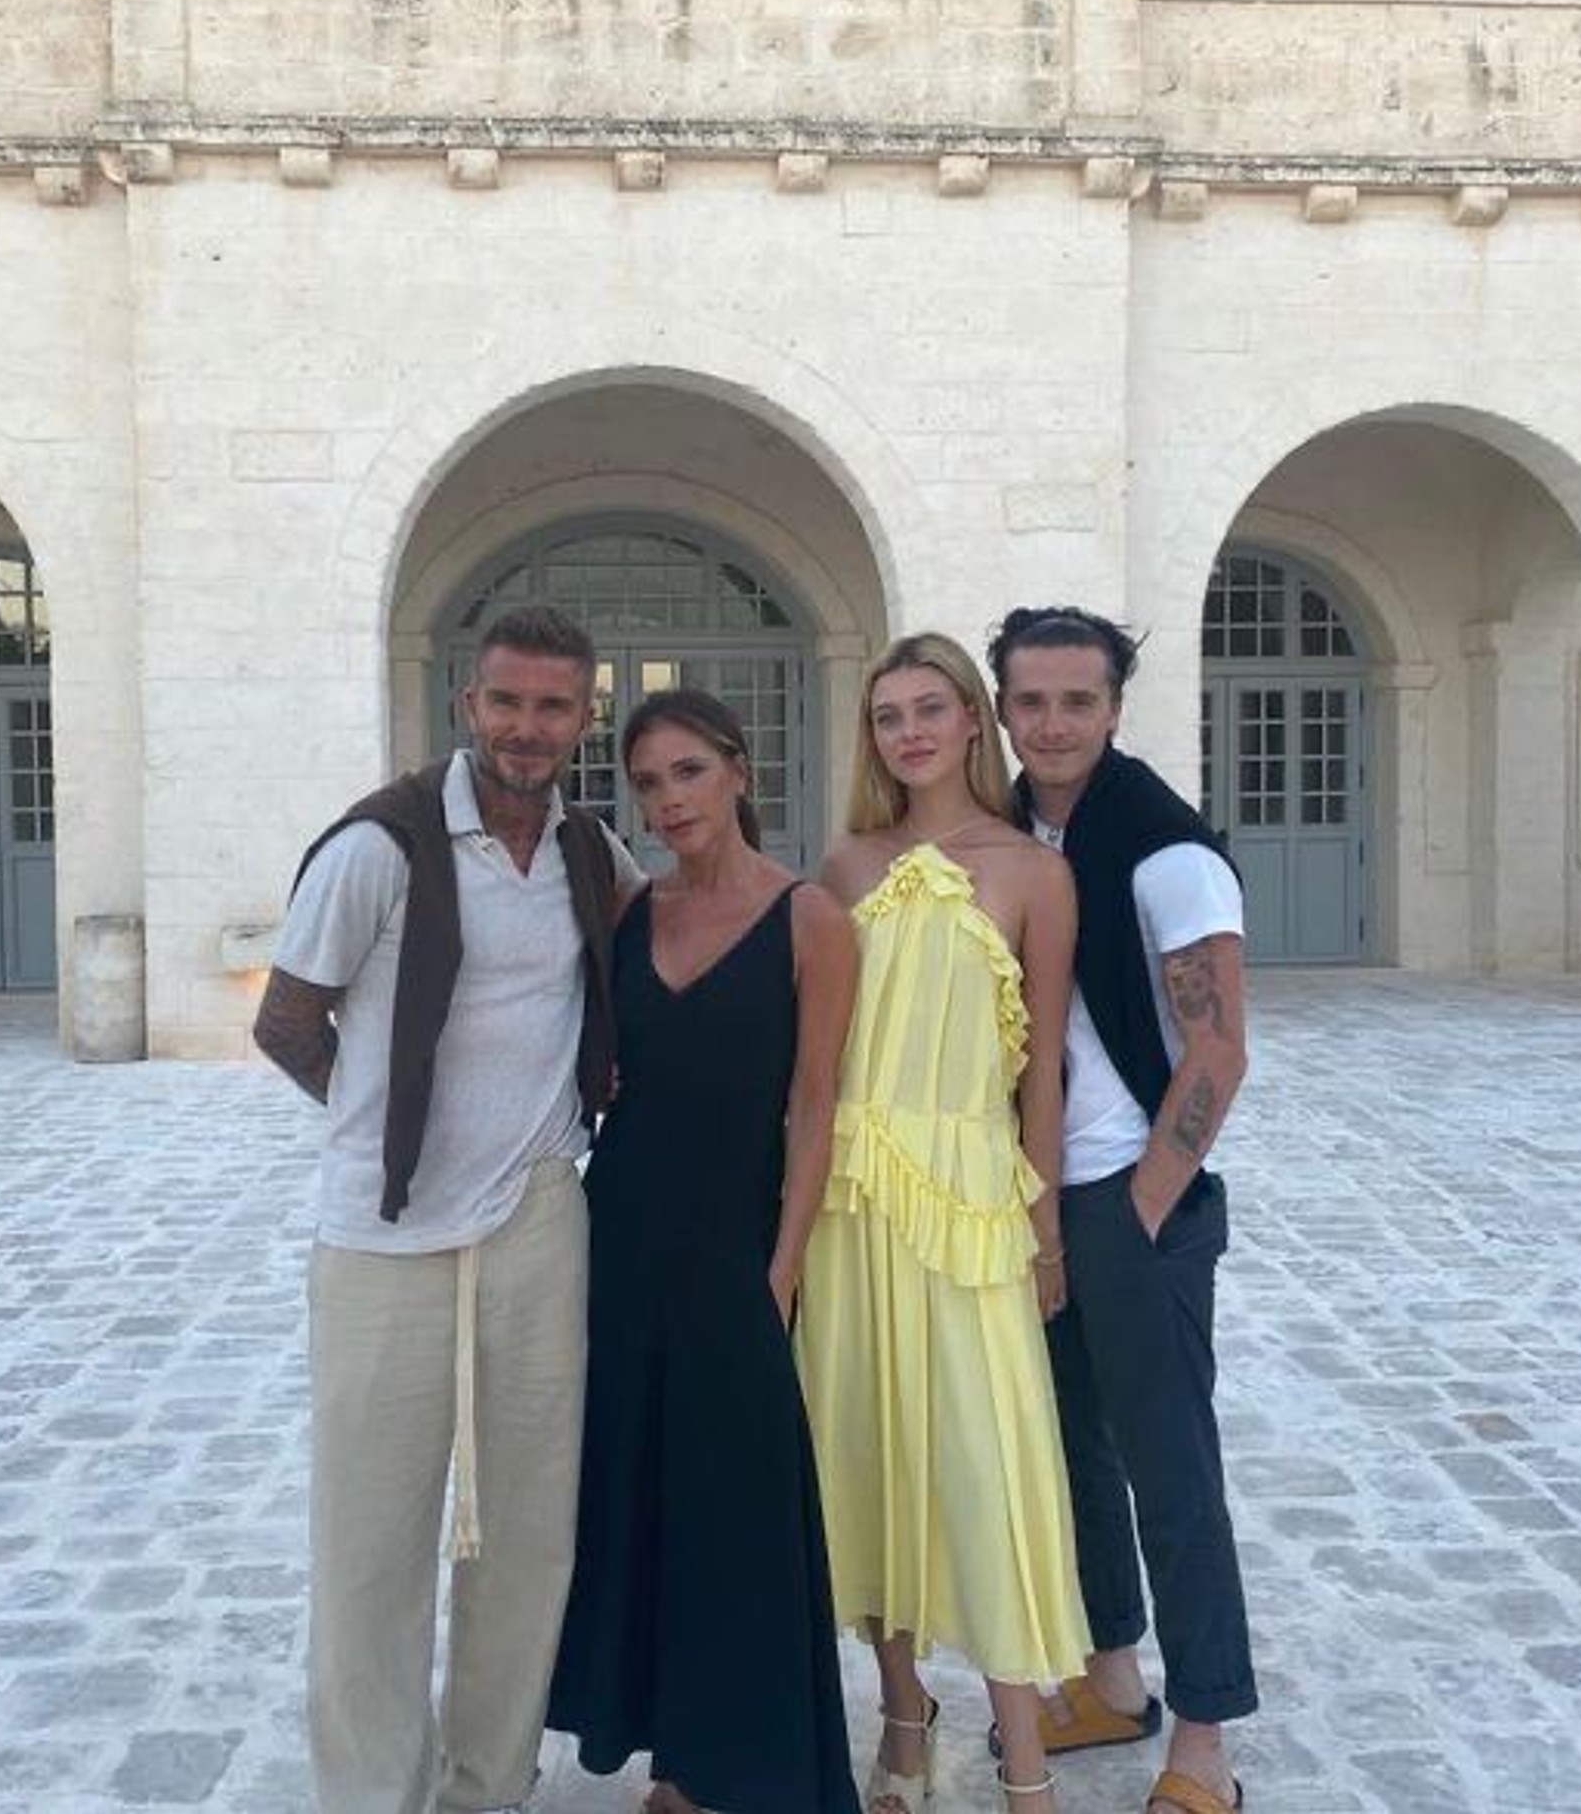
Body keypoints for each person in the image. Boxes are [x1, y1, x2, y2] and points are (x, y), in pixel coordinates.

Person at [253, 603, 642, 1814]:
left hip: (538, 1215)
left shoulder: (589, 853)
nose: (527, 726)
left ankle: (488, 1781)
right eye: (506, 700)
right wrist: (389, 1121)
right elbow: (285, 1020)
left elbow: (656, 956)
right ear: (469, 704)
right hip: (385, 1237)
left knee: (528, 1531)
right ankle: (374, 1793)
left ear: (584, 718)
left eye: (553, 706)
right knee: (370, 1541)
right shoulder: (380, 847)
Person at [547, 688, 861, 1814]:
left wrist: (783, 1266)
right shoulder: (630, 912)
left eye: (687, 771)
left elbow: (814, 1107)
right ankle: (675, 1767)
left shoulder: (810, 917)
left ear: (737, 770)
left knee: (737, 1503)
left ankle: (747, 1761)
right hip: (623, 1238)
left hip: (736, 1246)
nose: (668, 799)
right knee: (638, 1494)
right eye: (646, 782)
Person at [794, 632, 1091, 1814]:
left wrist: (1044, 1229)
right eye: (887, 716)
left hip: (971, 1203)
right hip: (852, 1200)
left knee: (986, 1464)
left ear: (974, 719)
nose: (909, 732)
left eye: (929, 708)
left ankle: (1024, 1763)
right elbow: (811, 1060)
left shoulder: (1034, 874)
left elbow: (1044, 1073)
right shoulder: (843, 864)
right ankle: (903, 1717)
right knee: (867, 1452)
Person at [990, 604, 1256, 1814]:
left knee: (1170, 1467)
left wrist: (1144, 1206)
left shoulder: (1164, 849)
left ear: (1113, 707)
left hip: (1131, 1197)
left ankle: (1202, 1740)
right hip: (1037, 1193)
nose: (1052, 724)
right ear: (1004, 708)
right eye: (1030, 701)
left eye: (1077, 701)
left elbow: (1217, 1052)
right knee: (1070, 1451)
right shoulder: (1013, 828)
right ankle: (1109, 1673)